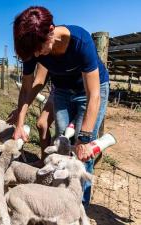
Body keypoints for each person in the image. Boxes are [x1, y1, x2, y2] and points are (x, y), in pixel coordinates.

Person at [10, 6, 110, 206]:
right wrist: (20, 123)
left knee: (83, 151)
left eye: (39, 49)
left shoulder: (80, 41)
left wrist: (85, 137)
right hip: (62, 91)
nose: (36, 55)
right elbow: (27, 88)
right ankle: (61, 197)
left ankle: (80, 205)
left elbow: (94, 94)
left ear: (51, 31)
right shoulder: (33, 49)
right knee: (62, 143)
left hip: (89, 91)